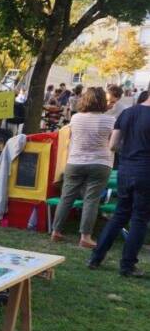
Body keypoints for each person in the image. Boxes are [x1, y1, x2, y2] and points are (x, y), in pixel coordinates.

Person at [88, 92, 150, 276]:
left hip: (126, 169)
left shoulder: (127, 113)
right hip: (146, 171)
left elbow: (113, 145)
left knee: (119, 215)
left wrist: (131, 149)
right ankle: (127, 265)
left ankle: (96, 258)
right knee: (139, 219)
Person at [50, 87, 115, 248]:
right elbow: (113, 142)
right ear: (102, 102)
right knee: (91, 199)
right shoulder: (110, 120)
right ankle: (85, 236)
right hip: (100, 162)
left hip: (75, 161)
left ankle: (56, 231)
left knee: (66, 197)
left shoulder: (76, 118)